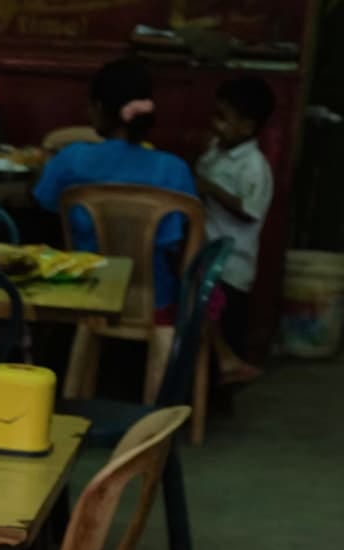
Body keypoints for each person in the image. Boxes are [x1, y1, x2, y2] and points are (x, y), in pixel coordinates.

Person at [34, 57, 197, 315]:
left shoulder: (71, 159)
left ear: (97, 107)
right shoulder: (174, 170)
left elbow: (43, 214)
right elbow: (186, 249)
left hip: (83, 296)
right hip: (155, 303)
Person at [196, 75, 276, 385]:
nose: (215, 124)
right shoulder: (217, 150)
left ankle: (223, 390)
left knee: (226, 329)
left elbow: (249, 210)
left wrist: (211, 189)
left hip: (231, 266)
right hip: (207, 253)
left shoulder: (254, 166)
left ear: (247, 127)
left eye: (223, 117)